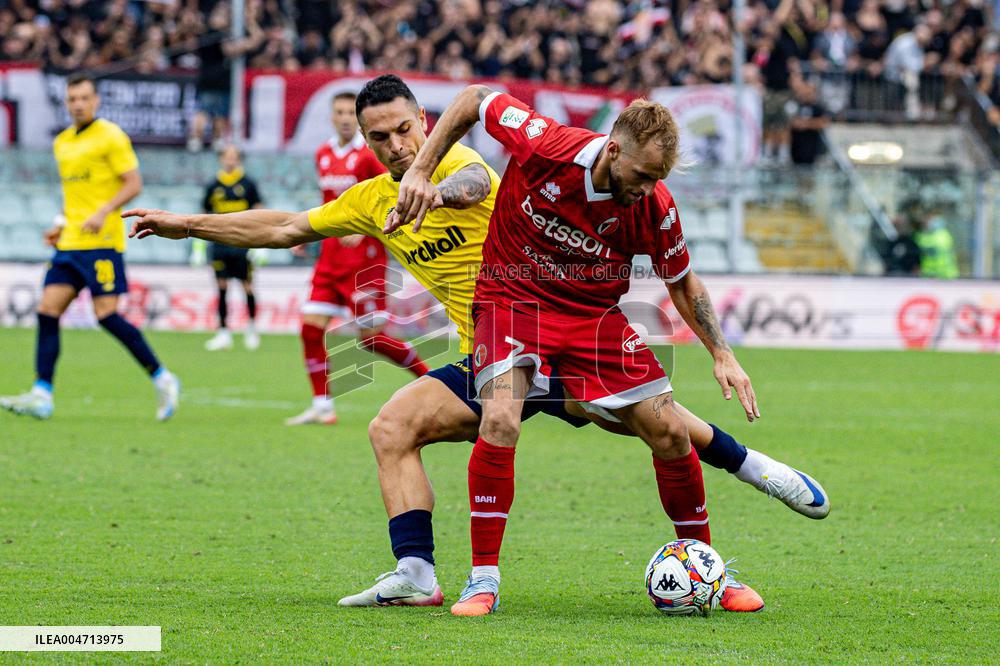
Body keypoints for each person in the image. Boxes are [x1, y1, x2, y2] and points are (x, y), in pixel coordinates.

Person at [124, 75, 829, 616]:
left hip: (553, 328)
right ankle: (418, 574)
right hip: (496, 341)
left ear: (423, 124)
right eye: (382, 139)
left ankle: (750, 474)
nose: (397, 147)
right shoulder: (372, 200)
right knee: (391, 425)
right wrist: (188, 224)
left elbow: (470, 181)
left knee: (660, 424)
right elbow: (284, 228)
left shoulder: (475, 164)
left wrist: (434, 182)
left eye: (405, 131)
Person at [387, 85, 793, 617]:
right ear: (613, 151)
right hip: (513, 300)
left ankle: (706, 568)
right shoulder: (546, 143)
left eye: (658, 180)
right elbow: (472, 99)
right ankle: (482, 580)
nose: (648, 189)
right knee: (502, 417)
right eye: (643, 176)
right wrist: (420, 168)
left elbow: (683, 283)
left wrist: (722, 353)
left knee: (669, 430)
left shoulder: (655, 205)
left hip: (592, 318)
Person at [0, 72, 180, 421]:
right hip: (70, 241)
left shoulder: (111, 136)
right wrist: (58, 224)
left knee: (106, 316)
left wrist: (102, 212)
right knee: (47, 311)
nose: (78, 104)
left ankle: (163, 377)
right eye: (72, 99)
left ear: (96, 100)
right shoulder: (63, 142)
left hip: (102, 242)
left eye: (84, 97)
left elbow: (134, 184)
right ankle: (42, 394)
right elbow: (73, 197)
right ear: (66, 103)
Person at [285, 90, 430, 427]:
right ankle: (322, 406)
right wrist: (308, 235)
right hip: (329, 262)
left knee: (372, 338)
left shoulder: (368, 157)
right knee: (309, 329)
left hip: (363, 263)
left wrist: (364, 229)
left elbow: (385, 197)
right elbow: (328, 205)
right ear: (332, 117)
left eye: (351, 113)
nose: (345, 118)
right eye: (339, 112)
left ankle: (431, 377)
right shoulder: (323, 153)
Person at [202, 144, 263, 351]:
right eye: (227, 156)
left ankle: (252, 329)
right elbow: (205, 214)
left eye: (234, 157)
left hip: (243, 243)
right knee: (221, 287)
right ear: (221, 159)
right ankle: (223, 332)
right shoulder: (213, 186)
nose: (230, 160)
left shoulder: (248, 184)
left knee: (247, 286)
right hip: (220, 244)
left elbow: (258, 210)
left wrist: (258, 240)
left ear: (239, 159)